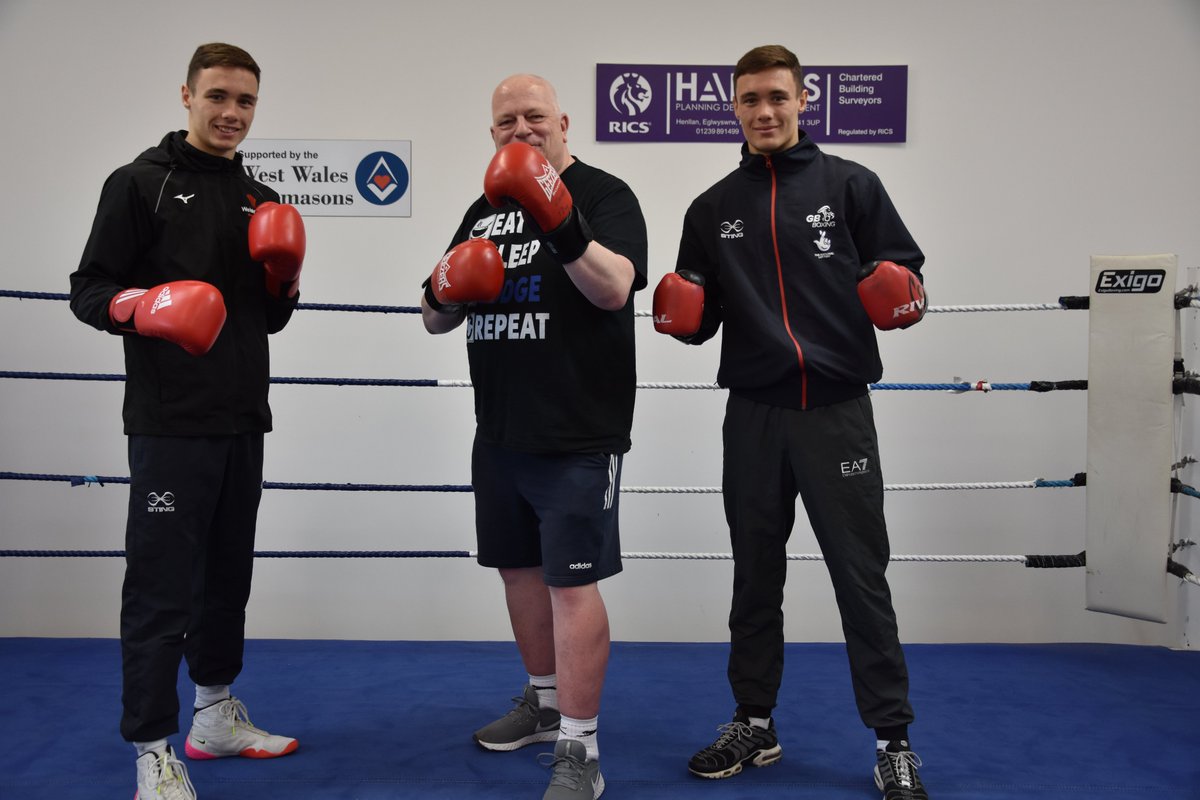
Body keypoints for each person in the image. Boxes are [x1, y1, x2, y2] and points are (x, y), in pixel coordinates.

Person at [653, 44, 929, 800]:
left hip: (836, 415)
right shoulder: (711, 208)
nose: (764, 111)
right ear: (733, 107)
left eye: (777, 97)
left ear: (803, 100)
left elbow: (907, 282)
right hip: (755, 417)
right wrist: (684, 316)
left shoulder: (852, 186)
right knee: (755, 577)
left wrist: (904, 294)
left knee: (860, 579)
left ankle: (892, 739)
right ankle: (754, 723)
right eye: (750, 100)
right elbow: (700, 319)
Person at [69, 42, 305, 800]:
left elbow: (266, 321)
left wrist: (284, 278)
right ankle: (150, 749)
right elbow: (88, 289)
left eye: (246, 102)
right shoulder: (141, 183)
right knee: (161, 589)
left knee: (225, 580)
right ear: (187, 96)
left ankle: (213, 717)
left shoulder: (257, 197)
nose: (232, 113)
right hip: (170, 422)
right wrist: (142, 305)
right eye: (219, 97)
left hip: (243, 417)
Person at [421, 73, 648, 799]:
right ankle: (545, 701)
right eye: (506, 122)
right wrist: (444, 283)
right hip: (500, 432)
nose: (521, 131)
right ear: (491, 135)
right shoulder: (480, 209)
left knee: (572, 586)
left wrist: (559, 218)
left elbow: (614, 288)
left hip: (579, 432)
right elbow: (433, 315)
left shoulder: (606, 195)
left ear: (563, 123)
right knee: (517, 572)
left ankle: (581, 748)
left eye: (534, 118)